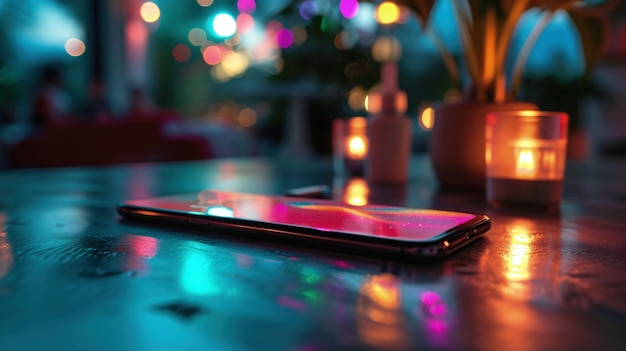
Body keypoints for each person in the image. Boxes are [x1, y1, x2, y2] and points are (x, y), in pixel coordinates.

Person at [32, 65, 73, 130]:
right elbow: (47, 117)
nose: (60, 78)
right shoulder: (43, 94)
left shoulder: (60, 93)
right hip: (49, 131)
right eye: (57, 76)